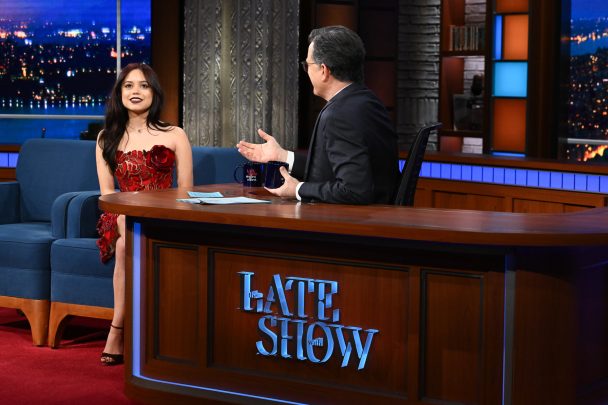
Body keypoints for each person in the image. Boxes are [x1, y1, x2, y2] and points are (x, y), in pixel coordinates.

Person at [95, 63, 193, 366]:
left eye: (143, 85)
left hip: (164, 214)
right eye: (128, 85)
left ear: (154, 92)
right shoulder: (106, 138)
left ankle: (117, 330)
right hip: (120, 215)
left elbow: (186, 191)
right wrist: (130, 209)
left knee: (127, 242)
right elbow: (107, 193)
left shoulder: (175, 134)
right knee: (126, 231)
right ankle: (121, 330)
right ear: (119, 93)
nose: (135, 91)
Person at [237, 25, 398, 204]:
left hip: (352, 219)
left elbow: (354, 190)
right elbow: (332, 169)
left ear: (324, 70)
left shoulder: (340, 114)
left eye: (307, 65)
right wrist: (283, 156)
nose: (306, 71)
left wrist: (297, 189)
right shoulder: (366, 101)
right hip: (378, 213)